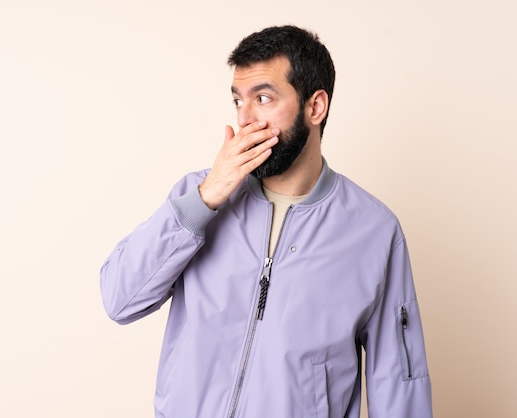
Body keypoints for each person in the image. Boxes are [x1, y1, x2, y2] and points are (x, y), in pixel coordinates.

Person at [100, 25, 432, 418]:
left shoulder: (374, 231)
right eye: (238, 101)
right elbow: (119, 299)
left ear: (315, 107)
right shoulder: (198, 198)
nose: (246, 119)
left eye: (263, 98)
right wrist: (206, 199)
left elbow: (398, 384)